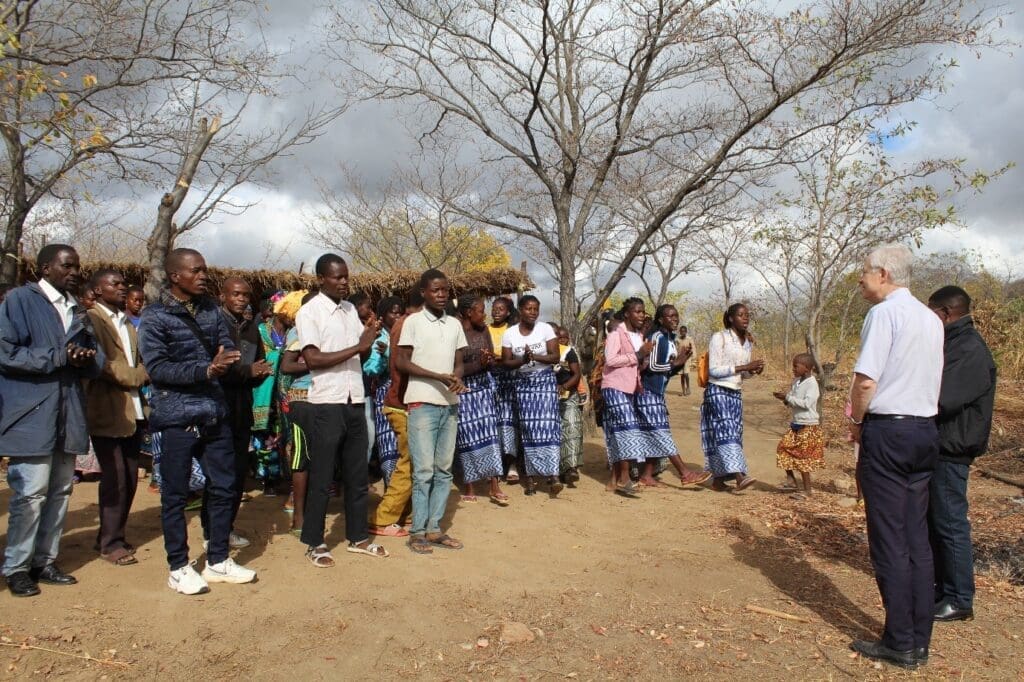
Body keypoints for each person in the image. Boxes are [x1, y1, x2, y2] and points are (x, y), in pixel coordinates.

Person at [139, 248, 257, 594]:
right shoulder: (155, 317)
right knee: (174, 494)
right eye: (196, 270)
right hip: (177, 415)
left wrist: (226, 358)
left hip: (213, 411)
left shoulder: (211, 311)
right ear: (176, 276)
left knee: (223, 486)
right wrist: (205, 369)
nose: (204, 275)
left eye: (205, 269)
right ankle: (178, 566)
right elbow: (158, 368)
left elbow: (225, 346)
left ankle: (218, 559)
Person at [847, 244, 943, 669]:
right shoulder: (929, 317)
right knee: (916, 538)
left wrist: (854, 421)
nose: (861, 279)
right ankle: (919, 638)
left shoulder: (883, 314)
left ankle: (900, 641)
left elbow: (866, 381)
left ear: (883, 273)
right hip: (924, 430)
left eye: (865, 272)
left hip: (889, 431)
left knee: (889, 539)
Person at [0, 244, 102, 597]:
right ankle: (16, 566)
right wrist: (60, 356)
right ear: (45, 269)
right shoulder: (19, 301)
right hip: (32, 413)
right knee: (30, 494)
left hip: (68, 412)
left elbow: (96, 361)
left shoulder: (77, 309)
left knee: (60, 491)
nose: (74, 272)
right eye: (67, 266)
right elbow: (6, 352)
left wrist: (85, 357)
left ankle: (44, 561)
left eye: (77, 266)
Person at [294, 254, 388, 567]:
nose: (344, 282)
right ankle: (314, 542)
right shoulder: (309, 312)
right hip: (327, 403)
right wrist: (358, 348)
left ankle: (358, 537)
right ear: (321, 279)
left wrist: (367, 341)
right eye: (337, 277)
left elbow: (358, 356)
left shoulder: (350, 310)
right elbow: (313, 360)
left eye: (346, 276)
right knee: (322, 477)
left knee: (357, 474)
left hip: (354, 400)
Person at [927, 285, 996, 623]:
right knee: (937, 521)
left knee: (950, 522)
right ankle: (943, 589)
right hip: (940, 445)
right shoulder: (953, 343)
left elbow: (943, 398)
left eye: (931, 313)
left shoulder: (969, 348)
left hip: (952, 448)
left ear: (947, 313)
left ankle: (959, 598)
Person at [397, 270, 469, 554]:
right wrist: (436, 376)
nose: (441, 295)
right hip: (421, 402)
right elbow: (402, 362)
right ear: (424, 293)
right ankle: (417, 533)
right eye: (436, 290)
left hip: (449, 404)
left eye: (445, 290)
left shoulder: (454, 324)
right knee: (424, 470)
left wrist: (456, 377)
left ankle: (434, 529)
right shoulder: (412, 322)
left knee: (443, 470)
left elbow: (459, 361)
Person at [85, 269, 149, 566]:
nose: (122, 288)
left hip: (132, 412)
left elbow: (139, 359)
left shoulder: (126, 323)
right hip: (108, 410)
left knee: (130, 479)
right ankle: (110, 544)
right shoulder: (92, 320)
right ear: (97, 290)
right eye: (115, 284)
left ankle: (112, 535)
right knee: (116, 479)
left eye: (124, 284)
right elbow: (104, 365)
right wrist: (140, 375)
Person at [217, 276, 272, 548]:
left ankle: (226, 528)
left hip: (242, 409)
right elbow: (215, 370)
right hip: (217, 409)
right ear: (223, 295)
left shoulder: (252, 329)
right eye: (236, 294)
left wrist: (260, 373)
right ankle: (213, 532)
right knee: (221, 475)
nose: (241, 299)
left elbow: (255, 365)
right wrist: (248, 371)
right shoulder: (215, 325)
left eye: (245, 295)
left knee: (238, 474)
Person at [368, 291, 423, 538]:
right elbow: (379, 369)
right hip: (398, 400)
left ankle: (407, 514)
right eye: (393, 311)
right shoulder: (402, 328)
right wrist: (379, 354)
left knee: (413, 461)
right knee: (408, 461)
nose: (397, 315)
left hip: (405, 400)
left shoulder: (407, 326)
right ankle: (384, 517)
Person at [640, 304, 713, 488]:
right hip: (647, 393)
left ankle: (646, 476)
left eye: (676, 315)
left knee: (655, 434)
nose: (674, 319)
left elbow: (665, 372)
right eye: (669, 316)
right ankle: (685, 473)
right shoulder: (656, 337)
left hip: (657, 393)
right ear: (660, 319)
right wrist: (677, 363)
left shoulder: (670, 339)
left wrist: (681, 362)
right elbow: (651, 367)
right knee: (661, 433)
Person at [500, 295, 563, 496]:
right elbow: (506, 362)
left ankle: (553, 476)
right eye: (529, 308)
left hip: (544, 383)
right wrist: (522, 360)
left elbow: (555, 357)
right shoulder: (510, 334)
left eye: (536, 309)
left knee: (548, 428)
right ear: (520, 310)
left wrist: (533, 356)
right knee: (529, 430)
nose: (533, 313)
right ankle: (530, 478)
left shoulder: (545, 329)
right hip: (523, 385)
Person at [700, 303, 764, 492]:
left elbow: (743, 375)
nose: (745, 318)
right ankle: (739, 476)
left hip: (735, 393)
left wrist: (753, 370)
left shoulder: (747, 342)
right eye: (741, 315)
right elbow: (714, 370)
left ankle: (719, 480)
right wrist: (745, 367)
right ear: (730, 318)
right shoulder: (719, 338)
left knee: (726, 434)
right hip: (717, 390)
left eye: (747, 315)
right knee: (727, 430)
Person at [455, 295, 508, 506]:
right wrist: (479, 363)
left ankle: (494, 484)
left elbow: (490, 360)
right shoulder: (455, 331)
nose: (484, 314)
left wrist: (488, 361)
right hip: (463, 390)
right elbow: (454, 369)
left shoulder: (483, 330)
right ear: (469, 312)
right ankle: (470, 483)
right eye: (480, 310)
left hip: (484, 388)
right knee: (467, 437)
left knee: (490, 434)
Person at [599, 299, 651, 497]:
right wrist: (637, 354)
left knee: (616, 432)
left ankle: (614, 480)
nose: (641, 315)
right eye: (637, 312)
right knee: (628, 428)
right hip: (614, 386)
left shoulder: (638, 335)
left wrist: (644, 359)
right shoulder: (615, 333)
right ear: (627, 314)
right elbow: (610, 360)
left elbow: (637, 363)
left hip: (629, 388)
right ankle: (624, 477)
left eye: (643, 312)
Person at [277, 290, 314, 535]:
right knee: (302, 458)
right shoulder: (299, 330)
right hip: (303, 398)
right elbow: (287, 366)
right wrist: (319, 361)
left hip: (326, 398)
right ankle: (299, 517)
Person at [773, 353, 824, 498]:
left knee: (803, 458)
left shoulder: (812, 384)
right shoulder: (797, 381)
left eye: (796, 366)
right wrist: (785, 399)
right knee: (783, 448)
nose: (793, 369)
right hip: (796, 423)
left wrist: (788, 398)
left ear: (807, 368)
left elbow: (807, 404)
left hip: (808, 425)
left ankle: (807, 490)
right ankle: (791, 481)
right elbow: (793, 399)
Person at [253, 291, 289, 495]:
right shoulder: (260, 331)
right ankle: (267, 478)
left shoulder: (293, 334)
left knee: (280, 435)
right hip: (263, 392)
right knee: (264, 437)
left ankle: (278, 476)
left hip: (284, 392)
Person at [369, 296, 403, 485]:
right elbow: (371, 369)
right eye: (393, 312)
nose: (397, 315)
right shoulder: (379, 337)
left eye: (399, 312)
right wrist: (383, 357)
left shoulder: (406, 334)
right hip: (385, 393)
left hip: (406, 393)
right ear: (383, 315)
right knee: (388, 441)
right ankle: (391, 487)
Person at [489, 296, 520, 483]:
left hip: (509, 379)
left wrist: (499, 357)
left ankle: (512, 464)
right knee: (492, 423)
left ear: (508, 312)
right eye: (494, 308)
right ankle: (496, 467)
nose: (496, 311)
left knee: (508, 422)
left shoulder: (513, 330)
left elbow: (515, 354)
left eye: (500, 309)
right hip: (490, 378)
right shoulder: (486, 330)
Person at [554, 326, 584, 484]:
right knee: (556, 433)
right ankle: (558, 471)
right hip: (549, 398)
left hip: (569, 396)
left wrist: (564, 387)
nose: (561, 341)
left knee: (571, 429)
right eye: (559, 338)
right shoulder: (545, 352)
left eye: (564, 338)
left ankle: (571, 468)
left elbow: (577, 374)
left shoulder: (569, 352)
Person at [676, 325, 694, 396]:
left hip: (687, 358)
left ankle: (688, 388)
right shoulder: (677, 340)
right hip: (680, 358)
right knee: (682, 375)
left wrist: (690, 352)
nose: (682, 332)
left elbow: (692, 348)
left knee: (686, 373)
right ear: (679, 332)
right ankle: (683, 390)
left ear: (686, 332)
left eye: (684, 331)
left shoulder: (689, 339)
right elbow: (676, 349)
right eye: (681, 331)